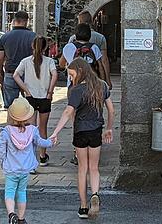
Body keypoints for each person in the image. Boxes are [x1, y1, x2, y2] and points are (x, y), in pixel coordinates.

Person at [50, 58, 114, 220]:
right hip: (96, 131)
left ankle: (84, 206)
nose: (71, 78)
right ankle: (95, 194)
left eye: (72, 75)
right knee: (94, 168)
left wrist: (55, 132)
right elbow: (111, 110)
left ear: (80, 71)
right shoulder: (102, 85)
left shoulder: (76, 90)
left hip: (80, 132)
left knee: (82, 169)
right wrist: (109, 129)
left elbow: (67, 112)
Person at [0, 97, 56, 224]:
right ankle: (21, 218)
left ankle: (11, 213)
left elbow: (1, 150)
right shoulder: (32, 131)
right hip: (25, 169)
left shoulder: (6, 132)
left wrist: (2, 162)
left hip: (11, 169)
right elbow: (41, 143)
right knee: (22, 192)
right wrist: (50, 142)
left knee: (10, 192)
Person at [13, 36, 58, 166]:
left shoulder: (26, 61)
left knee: (30, 129)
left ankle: (30, 159)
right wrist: (50, 91)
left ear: (32, 46)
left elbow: (16, 75)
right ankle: (42, 156)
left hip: (30, 97)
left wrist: (25, 89)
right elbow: (55, 74)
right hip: (44, 97)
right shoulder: (49, 61)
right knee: (42, 128)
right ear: (45, 47)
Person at [0, 12, 36, 109]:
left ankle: (11, 123)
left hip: (11, 72)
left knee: (11, 107)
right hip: (29, 73)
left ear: (14, 21)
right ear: (27, 21)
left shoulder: (5, 37)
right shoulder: (34, 37)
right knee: (29, 105)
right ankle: (28, 123)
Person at [69, 11, 112, 88]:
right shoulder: (100, 37)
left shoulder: (73, 39)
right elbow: (104, 60)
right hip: (94, 76)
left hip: (77, 77)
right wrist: (107, 79)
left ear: (80, 22)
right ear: (91, 21)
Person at [61, 24, 107, 88]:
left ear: (75, 35)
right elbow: (100, 67)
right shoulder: (94, 47)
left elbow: (61, 64)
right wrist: (102, 82)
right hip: (91, 83)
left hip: (74, 83)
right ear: (89, 35)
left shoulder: (68, 47)